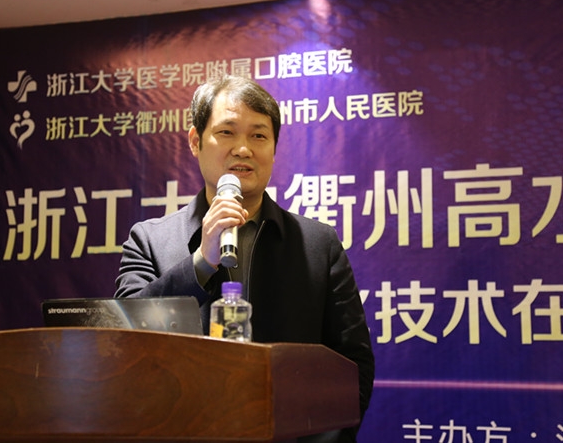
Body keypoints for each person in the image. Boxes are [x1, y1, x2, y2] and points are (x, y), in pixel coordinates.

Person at [115, 74, 374, 442]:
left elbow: (353, 365)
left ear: (273, 149)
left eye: (259, 136)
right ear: (195, 141)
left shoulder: (319, 245)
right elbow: (121, 341)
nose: (243, 149)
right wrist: (200, 263)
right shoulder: (149, 240)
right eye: (227, 132)